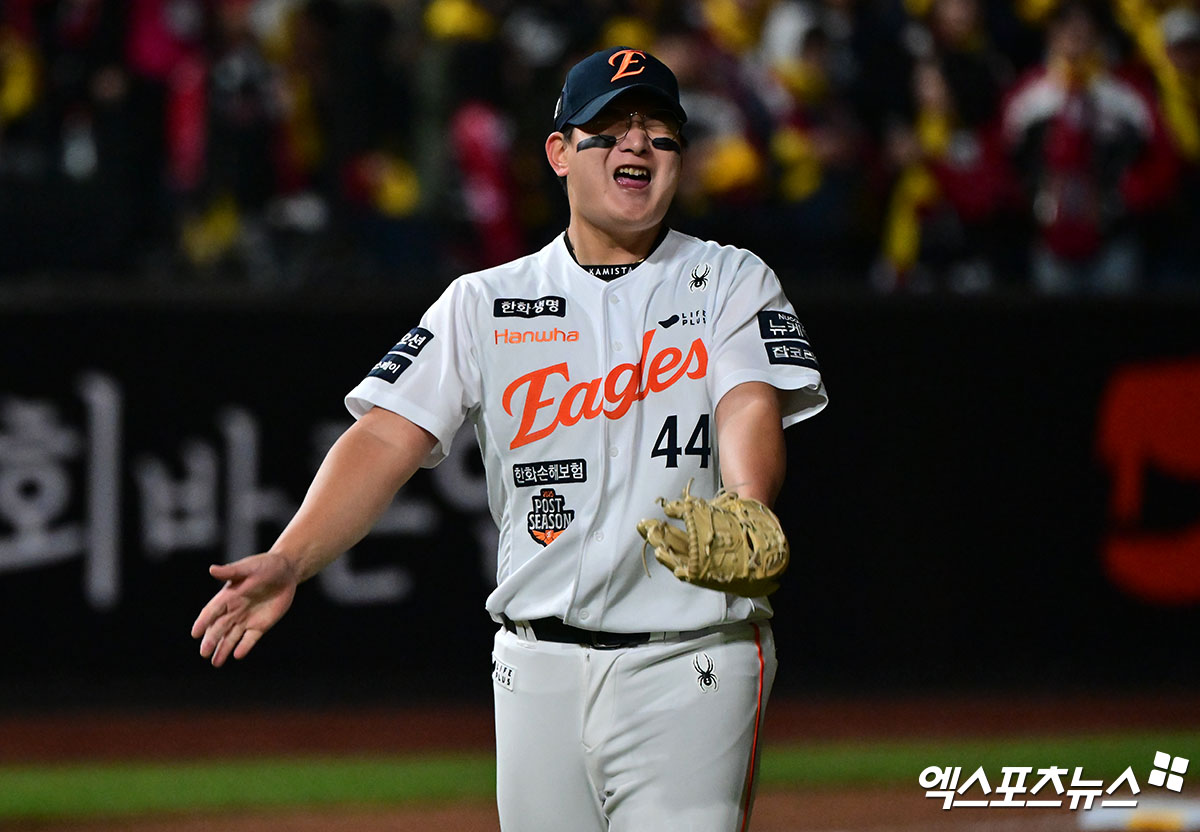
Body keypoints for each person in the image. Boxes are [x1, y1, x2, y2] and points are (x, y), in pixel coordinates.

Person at [191, 45, 828, 831]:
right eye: (611, 126)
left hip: (691, 660)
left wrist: (747, 499)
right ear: (559, 152)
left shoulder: (730, 278)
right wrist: (291, 557)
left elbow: (747, 401)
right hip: (534, 668)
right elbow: (384, 436)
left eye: (659, 129)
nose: (637, 141)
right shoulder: (485, 301)